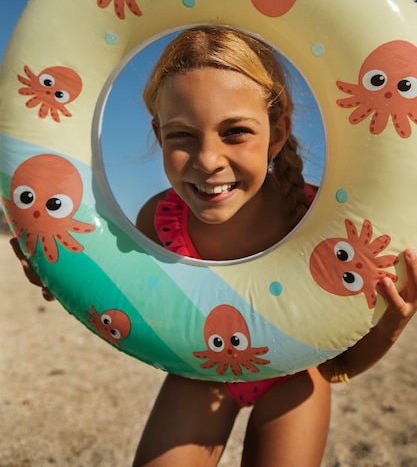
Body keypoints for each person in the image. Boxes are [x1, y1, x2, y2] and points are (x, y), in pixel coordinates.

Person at [11, 25, 417, 467]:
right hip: (199, 374)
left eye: (236, 132)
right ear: (158, 132)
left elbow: (338, 365)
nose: (207, 160)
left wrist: (389, 326)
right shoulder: (158, 223)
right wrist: (67, 276)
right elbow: (120, 302)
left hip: (297, 379)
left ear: (277, 133)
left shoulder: (317, 224)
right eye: (182, 135)